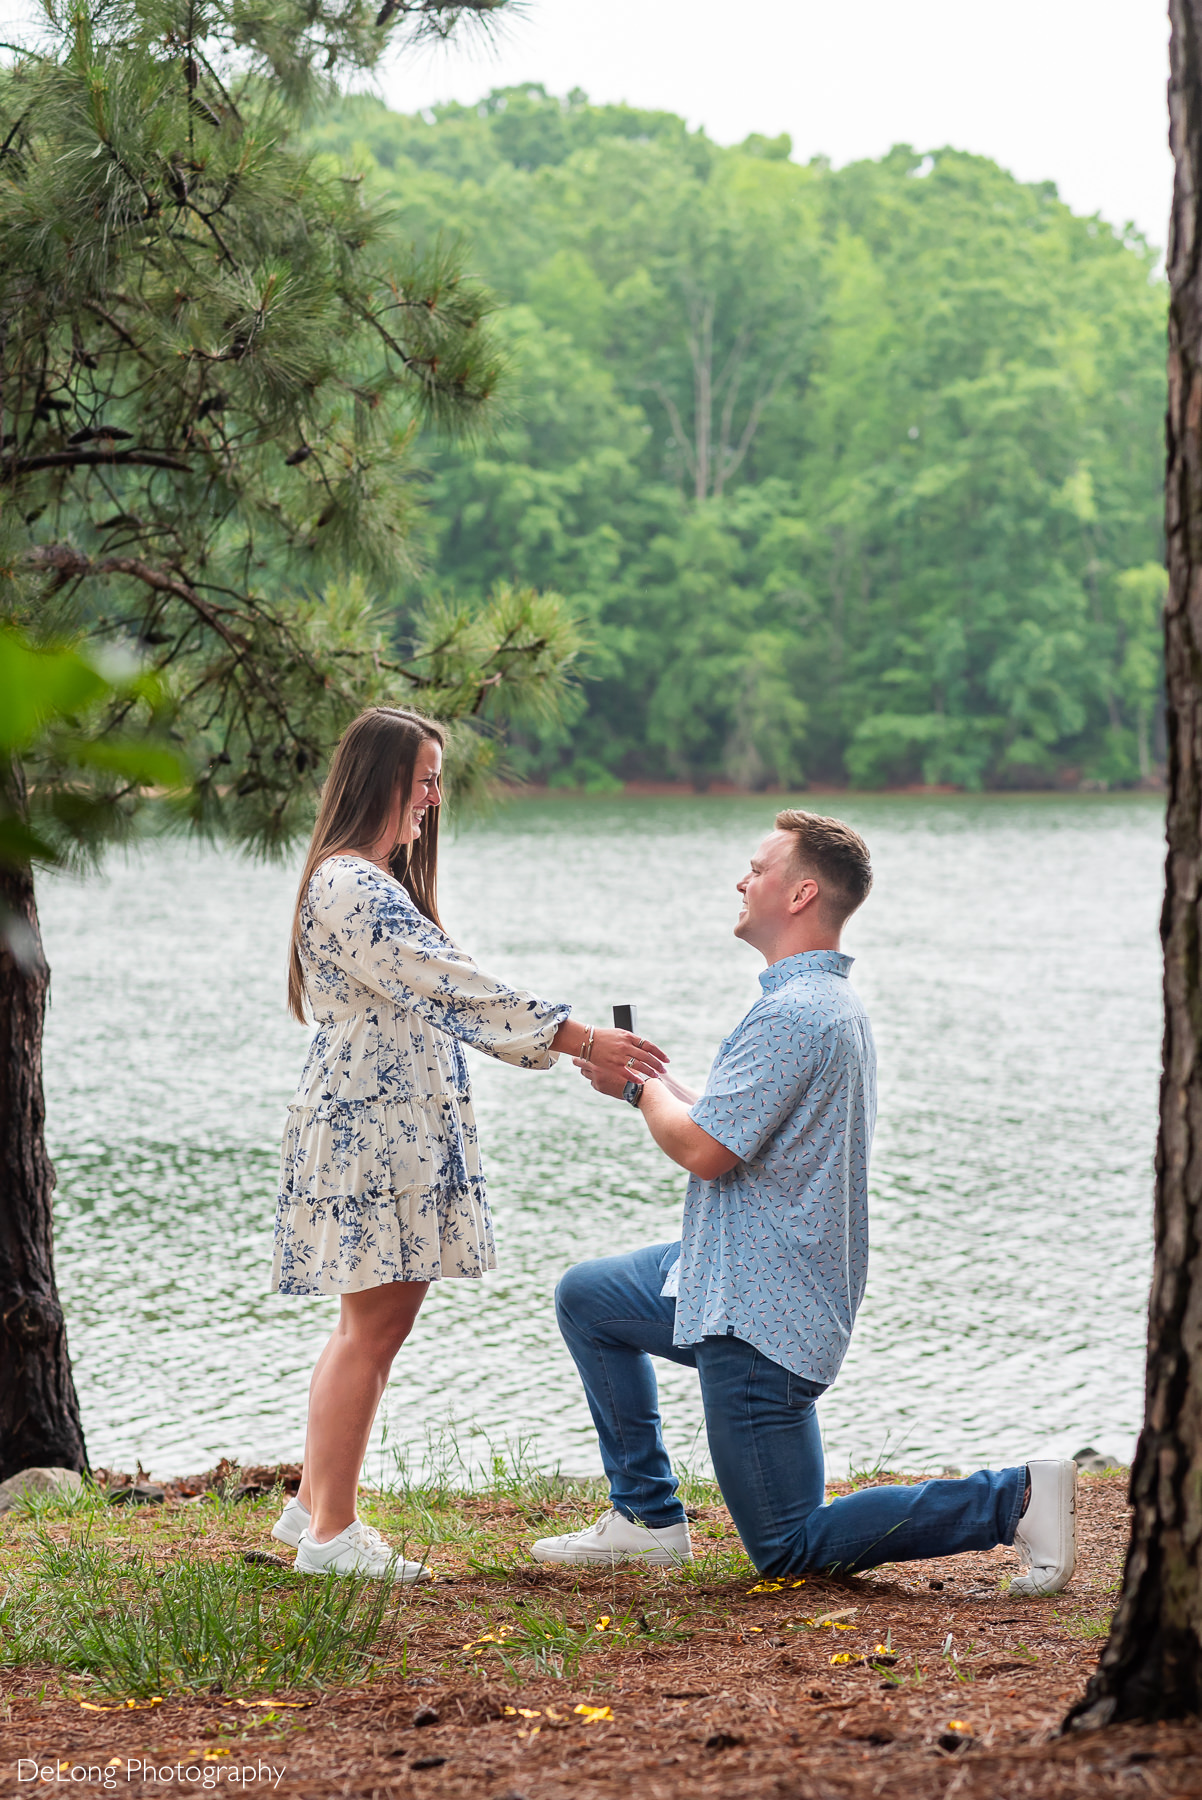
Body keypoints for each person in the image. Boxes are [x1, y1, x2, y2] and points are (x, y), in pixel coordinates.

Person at [529, 810, 1076, 1597]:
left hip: (758, 1313)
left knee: (786, 1547)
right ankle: (647, 1521)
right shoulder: (820, 1002)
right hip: (729, 1275)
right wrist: (649, 1087)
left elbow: (704, 1149)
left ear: (801, 892)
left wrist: (642, 1089)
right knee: (589, 1297)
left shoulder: (794, 1015)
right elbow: (728, 1118)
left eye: (758, 868)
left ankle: (1014, 1498)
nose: (742, 880)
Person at [267, 706, 668, 1581]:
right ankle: (334, 1534)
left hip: (384, 1118)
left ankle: (311, 1510)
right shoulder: (355, 887)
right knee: (374, 1326)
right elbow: (458, 990)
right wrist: (582, 1038)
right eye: (426, 780)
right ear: (384, 781)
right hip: (374, 1124)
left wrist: (572, 1043)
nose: (435, 798)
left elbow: (449, 996)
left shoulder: (367, 880)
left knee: (366, 1323)